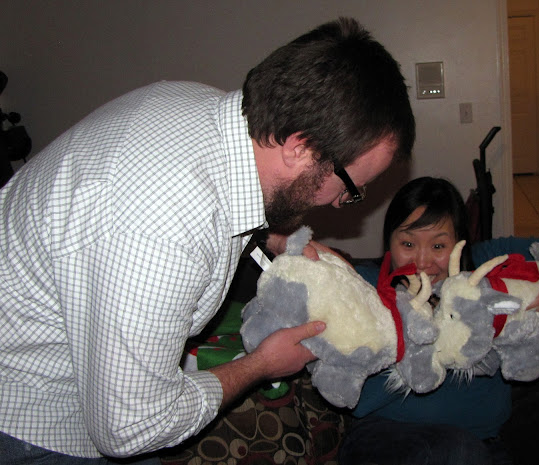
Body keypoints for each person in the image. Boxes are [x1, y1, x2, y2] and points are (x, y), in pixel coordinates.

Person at [0, 18, 415, 464]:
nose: (340, 203)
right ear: (300, 148)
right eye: (351, 188)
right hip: (32, 420)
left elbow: (234, 195)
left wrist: (279, 237)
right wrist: (261, 365)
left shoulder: (200, 108)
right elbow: (131, 427)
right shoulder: (163, 225)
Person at [338, 176, 539, 465]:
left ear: (460, 243)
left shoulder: (486, 266)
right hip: (385, 439)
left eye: (438, 246)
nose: (421, 262)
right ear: (389, 242)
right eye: (408, 243)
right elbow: (359, 401)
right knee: (461, 451)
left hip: (484, 446)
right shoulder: (368, 288)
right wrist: (435, 344)